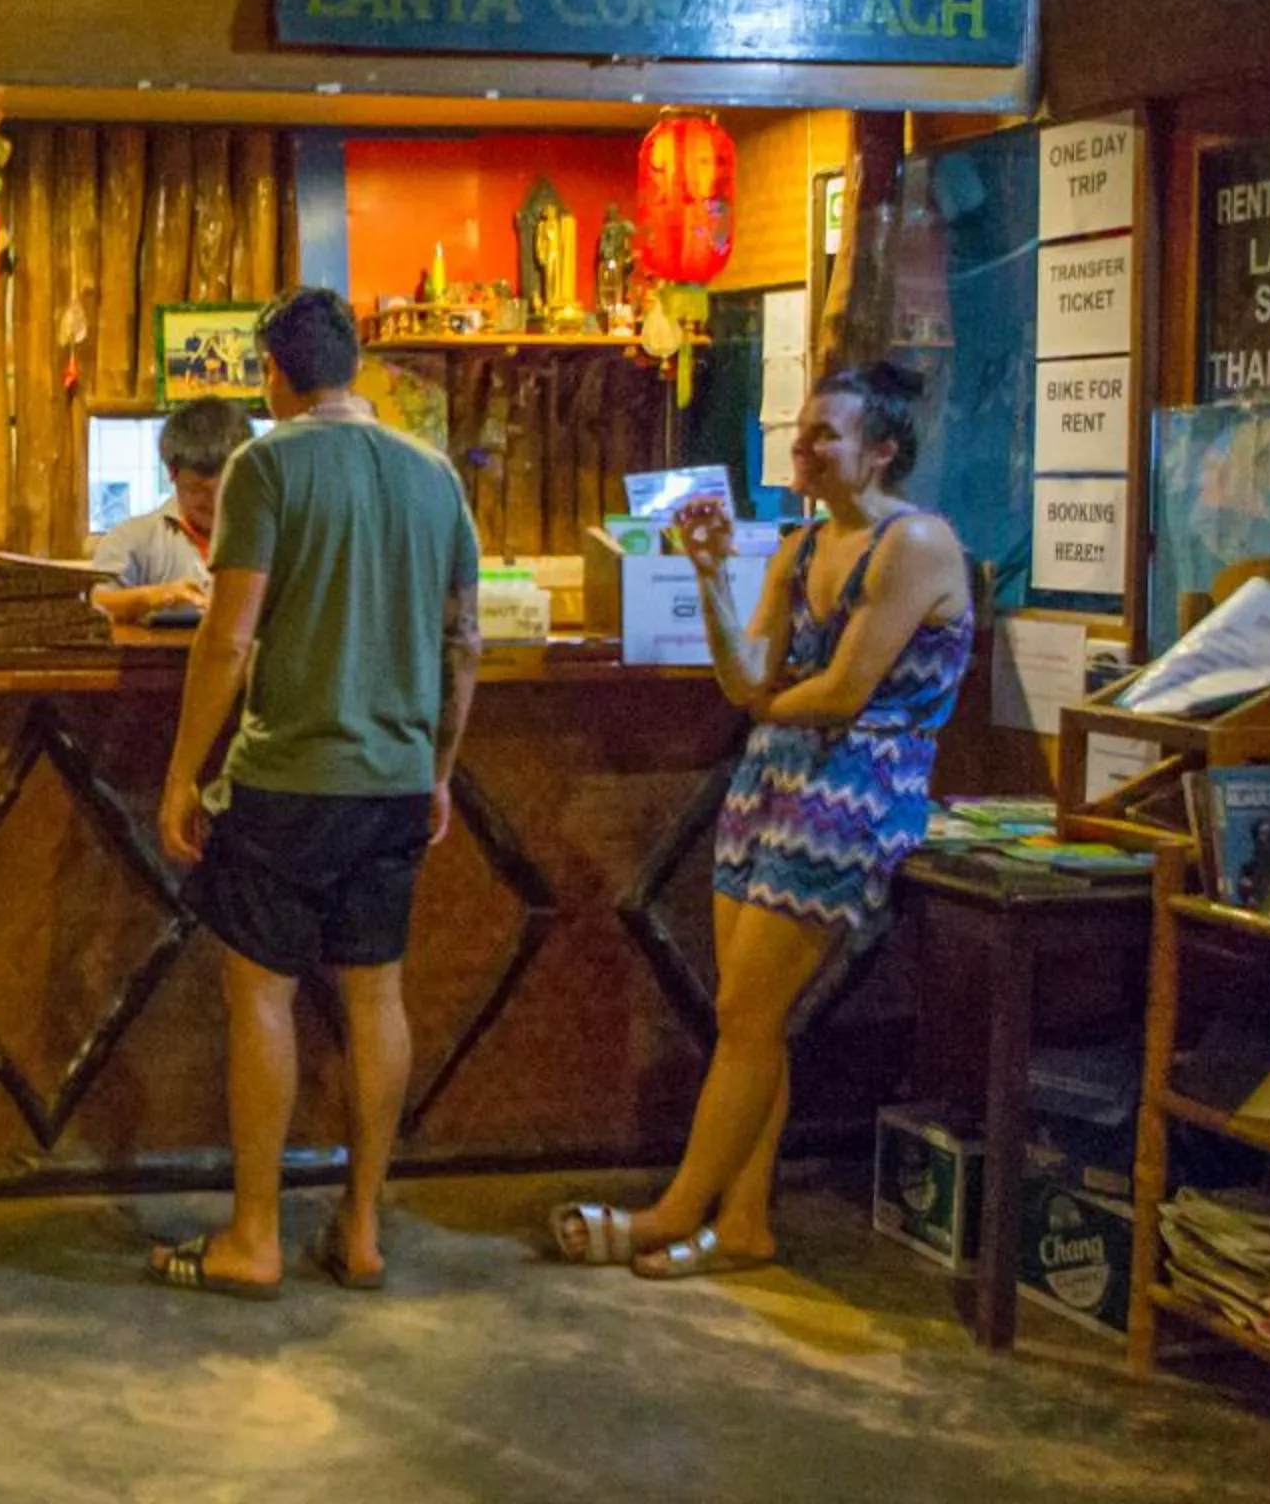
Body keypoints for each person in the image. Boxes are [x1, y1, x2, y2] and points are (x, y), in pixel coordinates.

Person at [549, 360, 973, 1278]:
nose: (804, 445)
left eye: (828, 434)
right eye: (804, 429)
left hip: (856, 790)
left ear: (883, 452)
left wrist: (770, 706)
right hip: (772, 784)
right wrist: (707, 577)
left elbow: (841, 692)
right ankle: (742, 1226)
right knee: (750, 1019)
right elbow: (749, 681)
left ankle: (673, 1211)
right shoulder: (798, 546)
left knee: (745, 1011)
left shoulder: (916, 545)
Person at [148, 288, 481, 1298]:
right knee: (376, 991)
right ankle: (364, 1226)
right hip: (392, 781)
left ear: (273, 375)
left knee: (263, 991)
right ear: (357, 362)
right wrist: (439, 769)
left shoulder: (268, 462)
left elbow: (231, 633)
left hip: (289, 775)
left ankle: (255, 1236)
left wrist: (182, 774)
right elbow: (464, 641)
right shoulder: (435, 476)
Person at [89, 396, 256, 624]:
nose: (216, 502)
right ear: (172, 473)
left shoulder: (267, 535)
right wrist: (154, 597)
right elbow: (96, 602)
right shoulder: (132, 538)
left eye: (228, 489)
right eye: (199, 490)